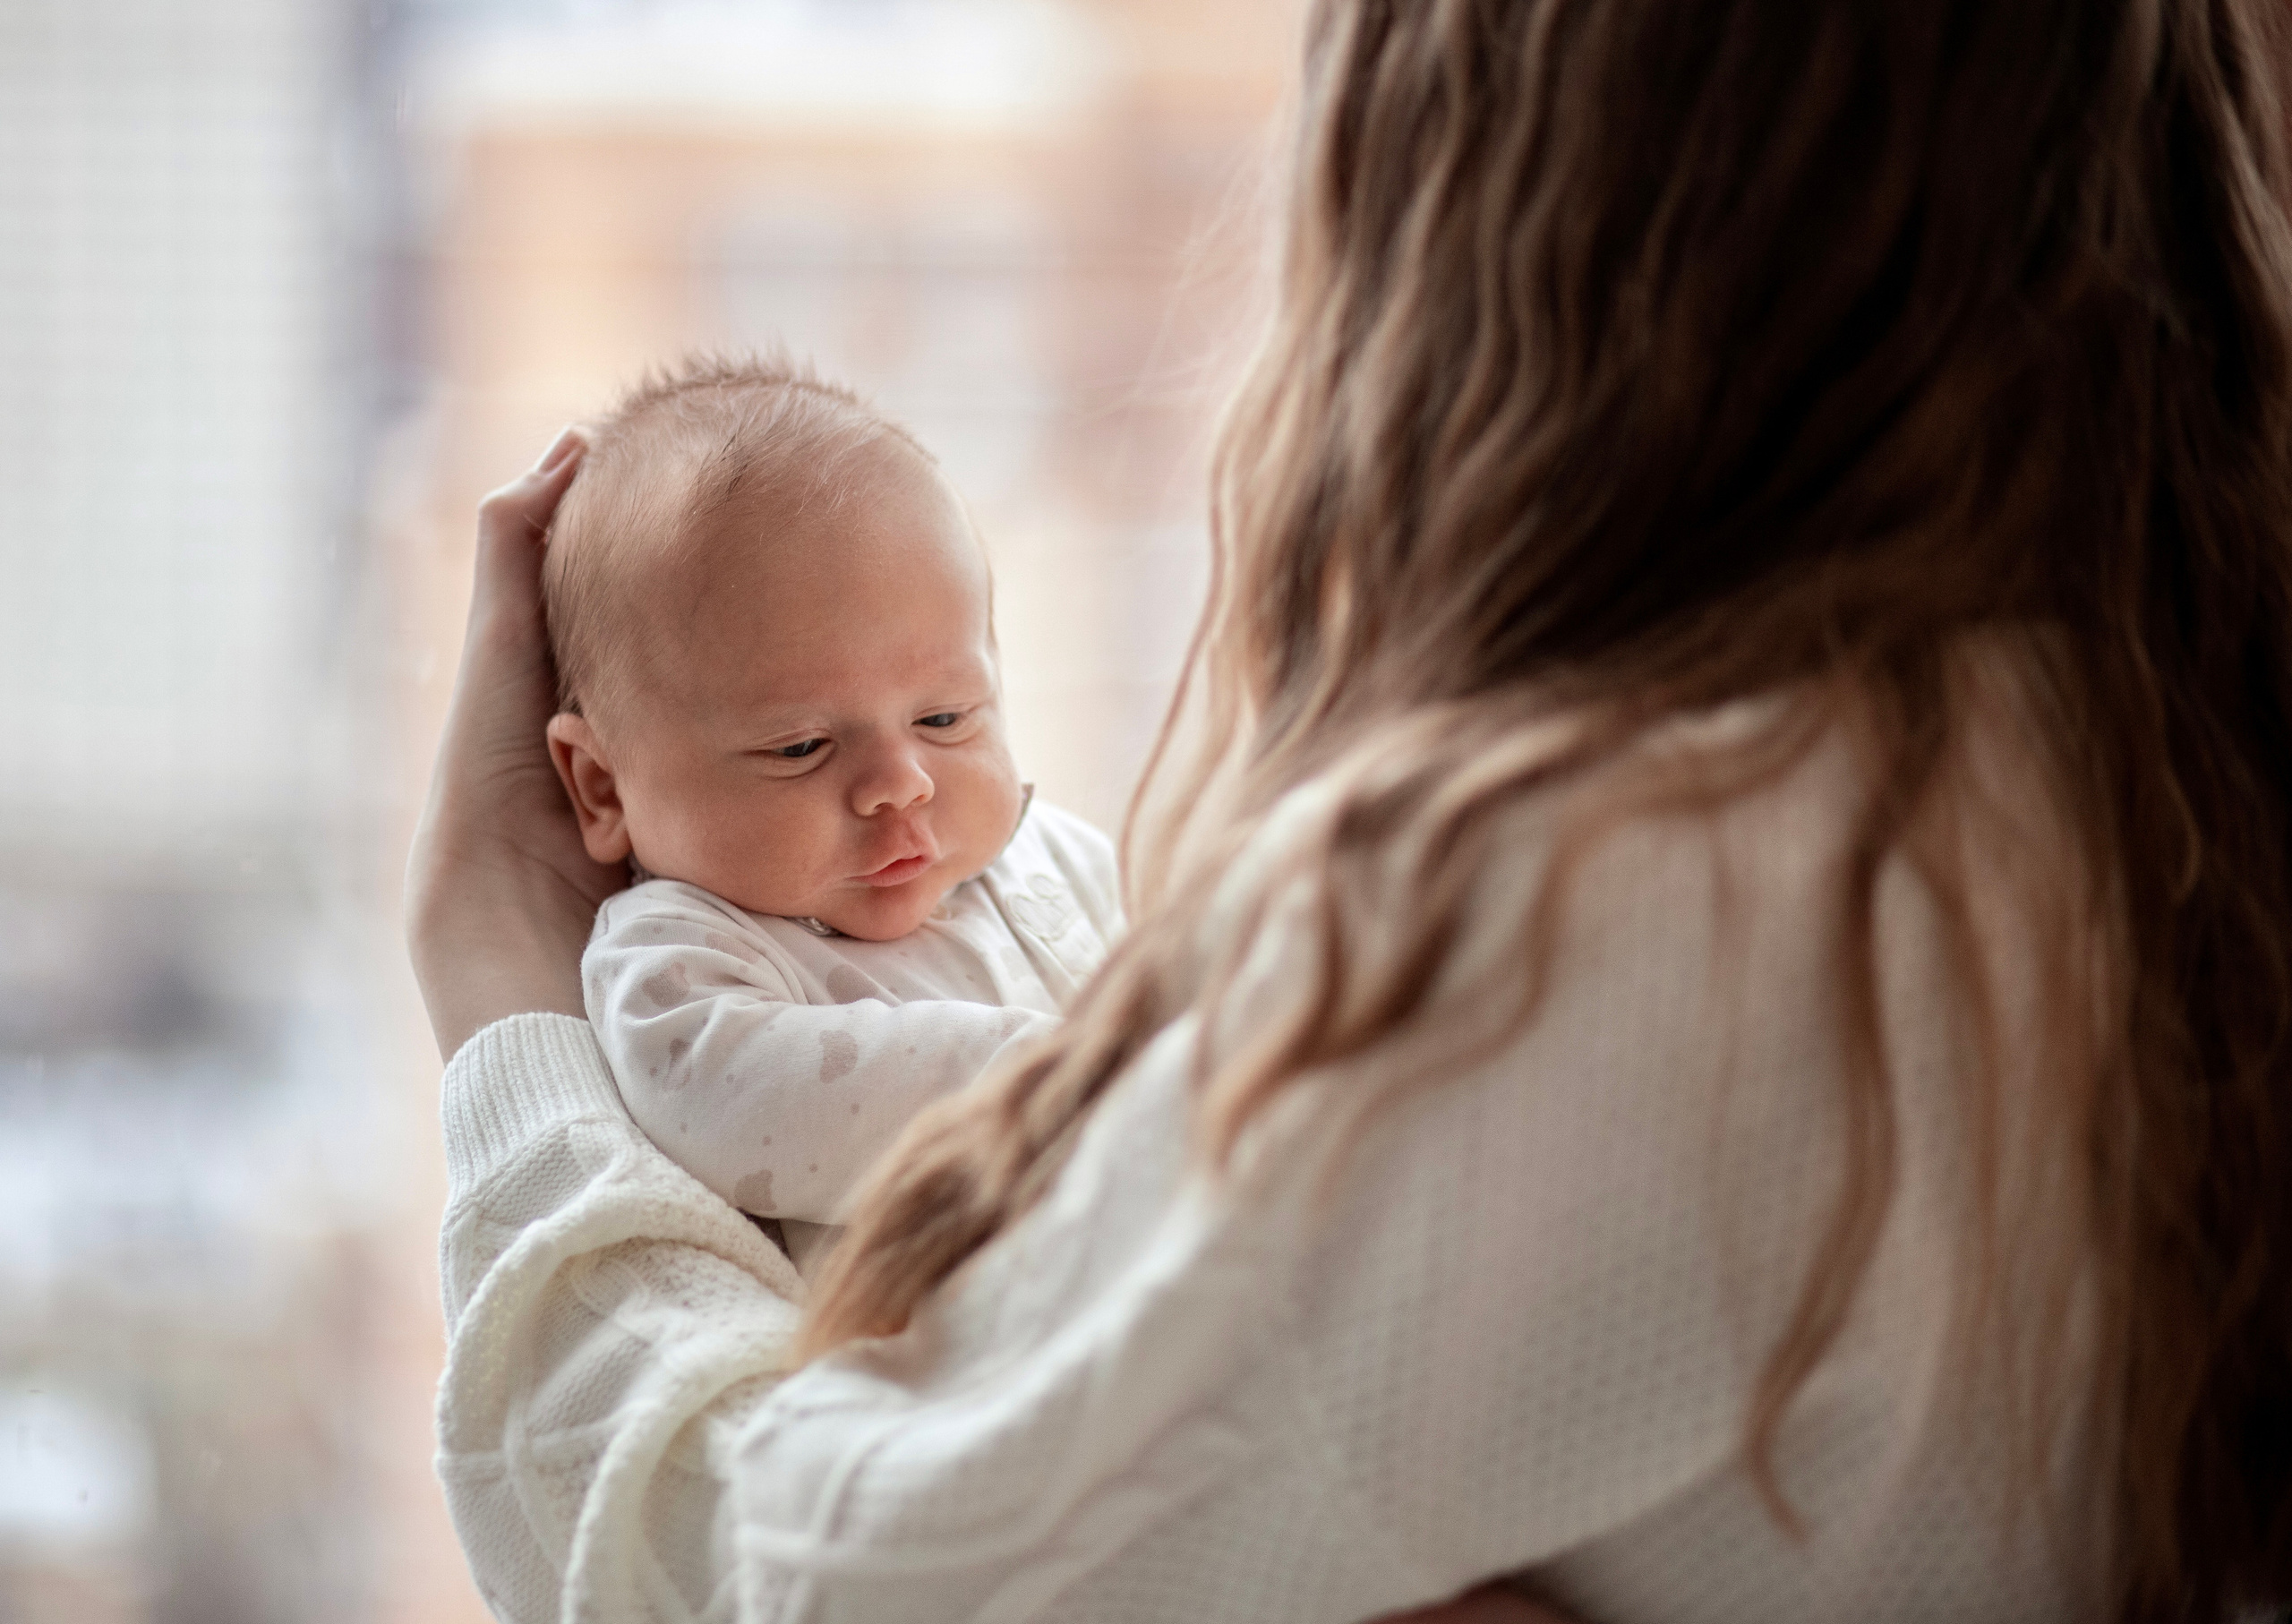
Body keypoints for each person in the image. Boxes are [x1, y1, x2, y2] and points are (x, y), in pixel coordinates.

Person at [406, 1, 2292, 1620]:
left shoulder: (1599, 913)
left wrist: (503, 993)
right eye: (801, 745)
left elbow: (771, 1576)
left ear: (1477, 178)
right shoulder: (2160, 772)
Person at [539, 358, 1122, 1276]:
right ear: (604, 787)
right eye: (800, 746)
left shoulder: (1054, 861)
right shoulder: (679, 957)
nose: (900, 783)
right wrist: (1098, 1074)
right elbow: (736, 1101)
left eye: (944, 717)